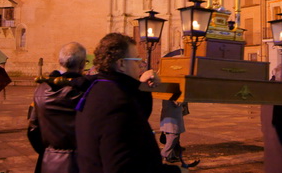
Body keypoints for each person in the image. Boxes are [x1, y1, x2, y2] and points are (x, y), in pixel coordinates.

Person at [75, 33, 185, 173]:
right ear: (121, 64)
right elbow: (124, 166)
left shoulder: (99, 89)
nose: (141, 64)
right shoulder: (116, 103)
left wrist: (141, 88)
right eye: (136, 60)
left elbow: (133, 126)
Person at [27, 41, 88, 173]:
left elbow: (33, 130)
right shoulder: (87, 91)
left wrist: (49, 152)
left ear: (60, 61)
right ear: (83, 64)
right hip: (81, 163)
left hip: (49, 162)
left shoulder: (41, 89)